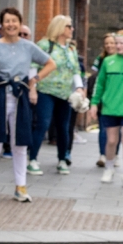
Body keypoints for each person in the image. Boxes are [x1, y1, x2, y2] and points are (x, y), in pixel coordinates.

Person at [0, 8, 54, 202]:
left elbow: (50, 63)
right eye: (7, 21)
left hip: (20, 97)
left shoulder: (28, 46)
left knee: (20, 142)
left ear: (20, 24)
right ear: (1, 25)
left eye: (14, 21)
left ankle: (21, 186)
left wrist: (34, 80)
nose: (11, 24)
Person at [29, 13, 82, 174]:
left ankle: (62, 160)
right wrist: (32, 88)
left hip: (65, 94)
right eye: (69, 26)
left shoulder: (71, 48)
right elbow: (33, 66)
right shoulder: (45, 45)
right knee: (43, 124)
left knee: (63, 127)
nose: (72, 29)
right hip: (46, 90)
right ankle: (32, 159)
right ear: (59, 28)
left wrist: (79, 88)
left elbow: (76, 70)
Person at [92, 32, 123, 187]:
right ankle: (109, 168)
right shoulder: (108, 61)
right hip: (110, 107)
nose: (118, 46)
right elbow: (100, 84)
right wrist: (94, 103)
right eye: (116, 43)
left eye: (121, 43)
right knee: (111, 140)